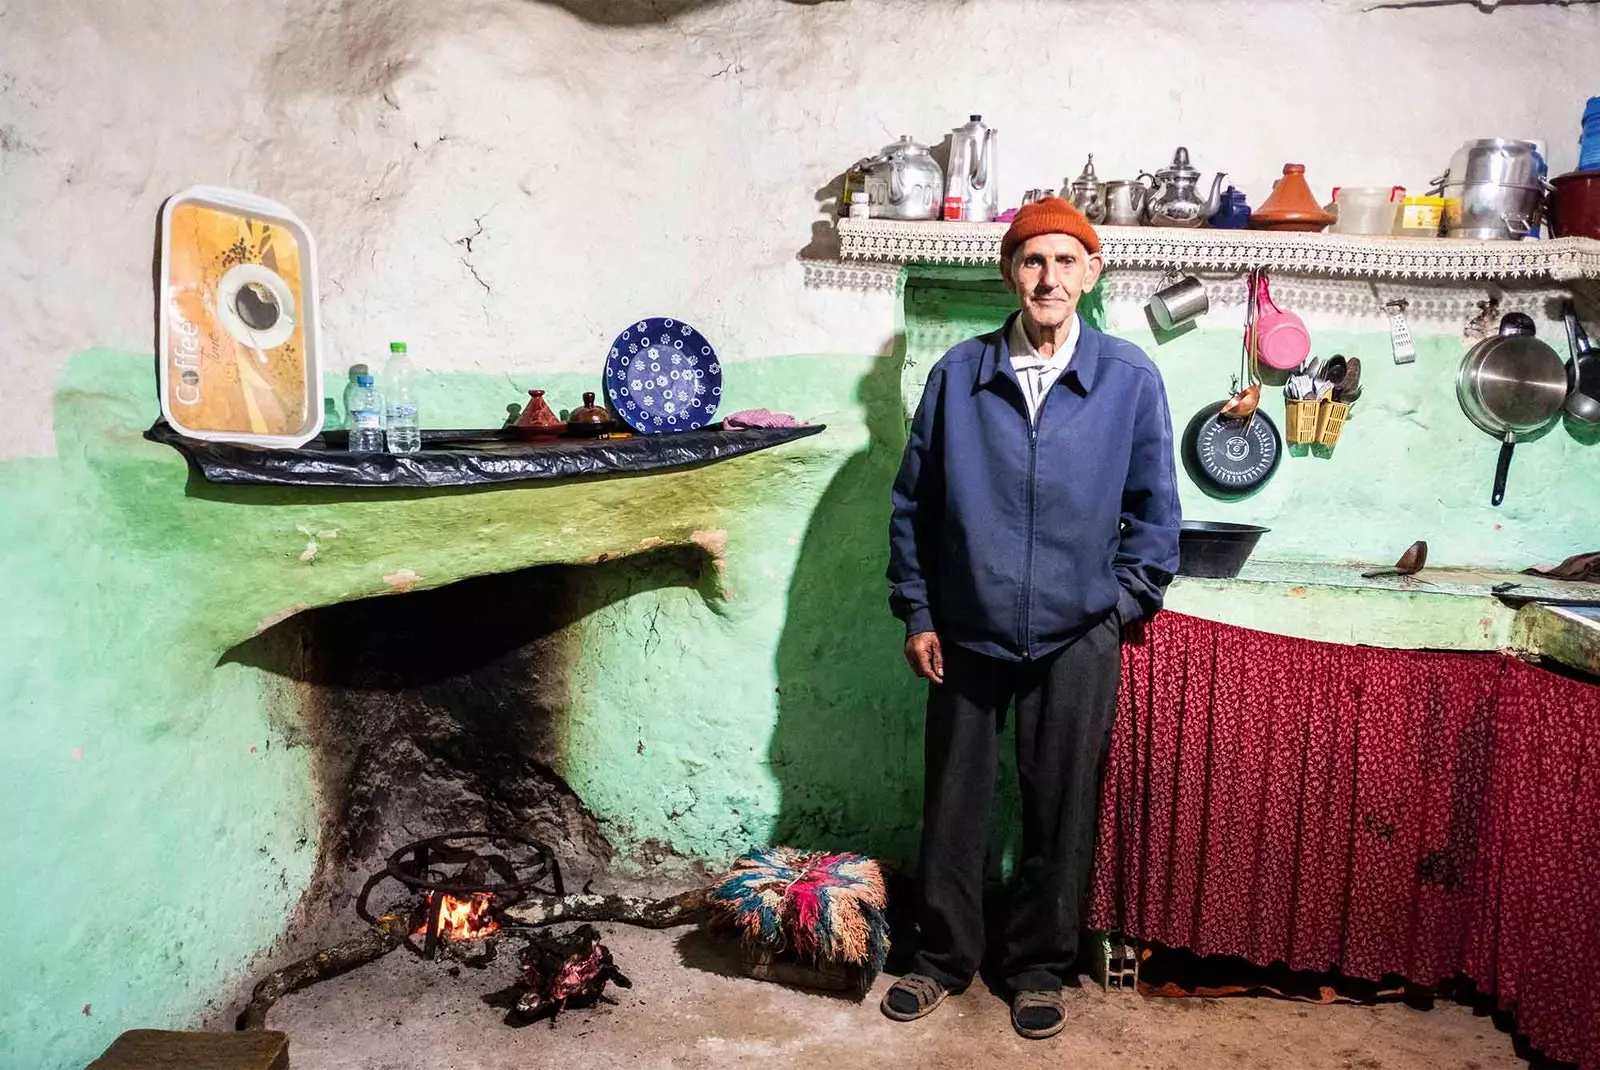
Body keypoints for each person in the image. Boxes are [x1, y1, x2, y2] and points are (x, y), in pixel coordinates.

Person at [881, 197, 1181, 1039]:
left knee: (1060, 804)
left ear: (1092, 273)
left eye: (1065, 261)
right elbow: (915, 507)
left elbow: (1156, 516)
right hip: (966, 629)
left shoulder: (1128, 378)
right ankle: (940, 958)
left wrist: (1116, 607)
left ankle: (1040, 968)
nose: (1048, 278)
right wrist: (919, 612)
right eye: (1031, 261)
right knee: (956, 801)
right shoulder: (960, 374)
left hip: (1077, 633)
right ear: (1010, 273)